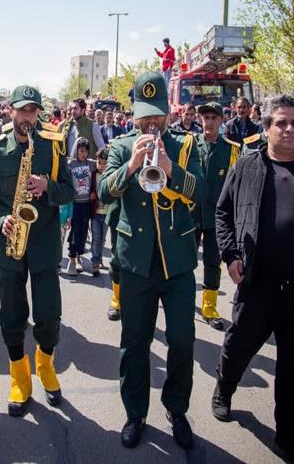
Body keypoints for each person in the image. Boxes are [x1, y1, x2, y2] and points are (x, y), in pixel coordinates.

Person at [212, 94, 294, 464]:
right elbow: (223, 213)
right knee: (238, 347)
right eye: (281, 123)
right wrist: (231, 255)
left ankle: (288, 436)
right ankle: (224, 387)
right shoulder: (247, 166)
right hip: (257, 285)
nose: (289, 129)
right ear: (266, 128)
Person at [97, 71, 205, 450]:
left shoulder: (186, 145)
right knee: (134, 343)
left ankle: (176, 408)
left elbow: (202, 192)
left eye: (157, 115)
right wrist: (132, 165)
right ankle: (135, 413)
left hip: (177, 263)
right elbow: (103, 191)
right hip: (136, 264)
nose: (151, 123)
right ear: (134, 115)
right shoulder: (122, 145)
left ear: (168, 114)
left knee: (183, 340)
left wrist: (171, 169)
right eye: (145, 116)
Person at [0, 84, 75, 417]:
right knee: (11, 315)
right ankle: (19, 379)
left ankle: (45, 368)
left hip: (45, 244)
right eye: (22, 110)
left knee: (48, 314)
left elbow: (70, 191)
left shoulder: (54, 146)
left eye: (33, 111)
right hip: (10, 244)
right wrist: (0, 218)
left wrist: (49, 186)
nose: (28, 117)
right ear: (11, 111)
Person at [192, 103, 240, 331]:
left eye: (213, 117)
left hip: (216, 217)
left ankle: (209, 307)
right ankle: (182, 300)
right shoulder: (190, 144)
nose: (209, 122)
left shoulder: (232, 150)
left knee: (213, 262)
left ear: (221, 121)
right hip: (190, 213)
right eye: (205, 117)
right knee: (185, 260)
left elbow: (235, 187)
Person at [64, 137, 96, 276]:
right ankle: (71, 258)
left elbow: (103, 164)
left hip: (86, 203)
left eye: (86, 151)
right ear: (76, 150)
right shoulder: (70, 164)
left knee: (83, 231)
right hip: (74, 204)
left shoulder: (91, 164)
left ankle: (79, 257)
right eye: (81, 151)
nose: (84, 154)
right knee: (74, 231)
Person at [89, 148, 110, 274]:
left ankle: (99, 259)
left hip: (107, 213)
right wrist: (91, 194)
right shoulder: (93, 175)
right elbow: (89, 189)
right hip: (95, 213)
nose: (101, 166)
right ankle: (95, 263)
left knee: (102, 239)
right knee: (96, 238)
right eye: (99, 163)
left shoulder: (110, 175)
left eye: (104, 163)